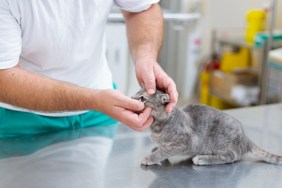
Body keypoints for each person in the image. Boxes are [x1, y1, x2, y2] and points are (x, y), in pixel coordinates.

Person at [0, 0, 178, 137]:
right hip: (20, 117)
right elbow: (4, 77)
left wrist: (146, 56)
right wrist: (94, 100)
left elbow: (143, 8)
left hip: (99, 111)